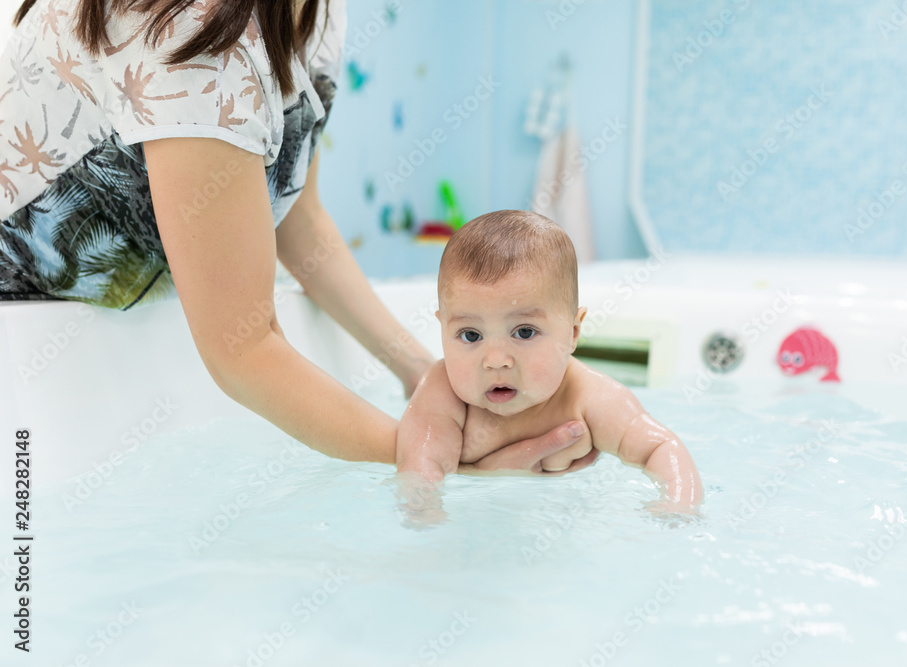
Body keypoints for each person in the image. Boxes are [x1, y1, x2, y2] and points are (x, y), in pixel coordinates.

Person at [0, 0, 594, 473]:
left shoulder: (314, 12)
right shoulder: (193, 37)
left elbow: (297, 220)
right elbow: (243, 350)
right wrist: (437, 455)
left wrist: (421, 373)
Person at [396, 210, 704, 514]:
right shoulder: (442, 390)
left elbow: (660, 447)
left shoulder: (589, 397)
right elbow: (421, 465)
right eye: (471, 335)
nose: (496, 361)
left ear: (573, 332)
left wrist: (677, 506)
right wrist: (422, 509)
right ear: (442, 327)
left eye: (524, 332)